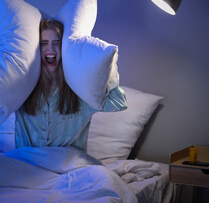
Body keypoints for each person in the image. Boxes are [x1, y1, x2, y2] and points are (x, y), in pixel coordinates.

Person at [13, 19, 128, 151]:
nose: (50, 48)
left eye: (56, 43)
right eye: (44, 43)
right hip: (26, 163)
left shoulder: (80, 88)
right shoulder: (23, 87)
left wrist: (109, 62)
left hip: (68, 165)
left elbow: (119, 103)